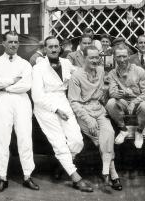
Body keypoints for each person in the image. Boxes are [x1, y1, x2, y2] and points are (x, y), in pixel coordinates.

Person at [31, 36, 93, 192]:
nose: (53, 49)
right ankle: (75, 177)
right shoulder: (38, 68)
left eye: (56, 46)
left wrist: (96, 69)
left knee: (77, 141)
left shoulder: (66, 63)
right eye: (50, 46)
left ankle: (63, 164)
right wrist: (56, 110)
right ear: (44, 49)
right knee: (59, 142)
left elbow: (81, 71)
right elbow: (37, 97)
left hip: (63, 102)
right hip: (45, 107)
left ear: (60, 48)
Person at [0, 31, 39, 193]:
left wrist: (5, 85)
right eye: (10, 42)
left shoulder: (25, 64)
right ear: (3, 43)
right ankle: (2, 177)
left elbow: (26, 85)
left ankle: (27, 176)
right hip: (2, 101)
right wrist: (12, 81)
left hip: (21, 101)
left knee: (25, 137)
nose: (14, 45)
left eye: (16, 42)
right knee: (2, 139)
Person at [68, 46, 123, 192]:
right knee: (101, 139)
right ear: (84, 58)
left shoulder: (100, 71)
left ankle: (106, 172)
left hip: (99, 110)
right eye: (91, 57)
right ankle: (112, 173)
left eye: (97, 57)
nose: (95, 60)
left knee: (109, 133)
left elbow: (105, 88)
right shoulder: (76, 76)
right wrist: (88, 119)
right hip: (84, 112)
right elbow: (74, 102)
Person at [106, 44, 145, 149]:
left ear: (128, 56)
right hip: (123, 103)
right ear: (114, 57)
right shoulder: (112, 73)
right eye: (119, 57)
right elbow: (112, 92)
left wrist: (134, 101)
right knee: (110, 103)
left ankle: (139, 131)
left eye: (124, 56)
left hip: (138, 103)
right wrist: (120, 93)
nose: (122, 59)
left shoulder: (139, 71)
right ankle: (123, 130)